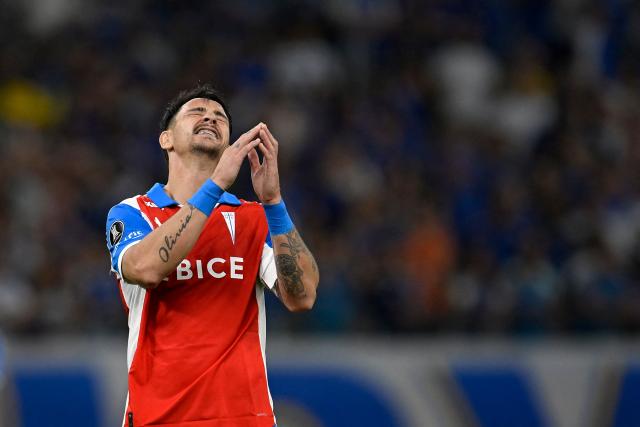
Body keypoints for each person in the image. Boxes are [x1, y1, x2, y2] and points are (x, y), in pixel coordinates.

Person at [105, 84, 319, 427]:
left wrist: (275, 203)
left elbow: (303, 296)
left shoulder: (253, 219)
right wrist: (215, 185)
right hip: (159, 418)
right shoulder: (134, 213)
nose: (210, 117)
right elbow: (144, 268)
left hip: (245, 419)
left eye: (220, 117)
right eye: (196, 112)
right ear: (166, 140)